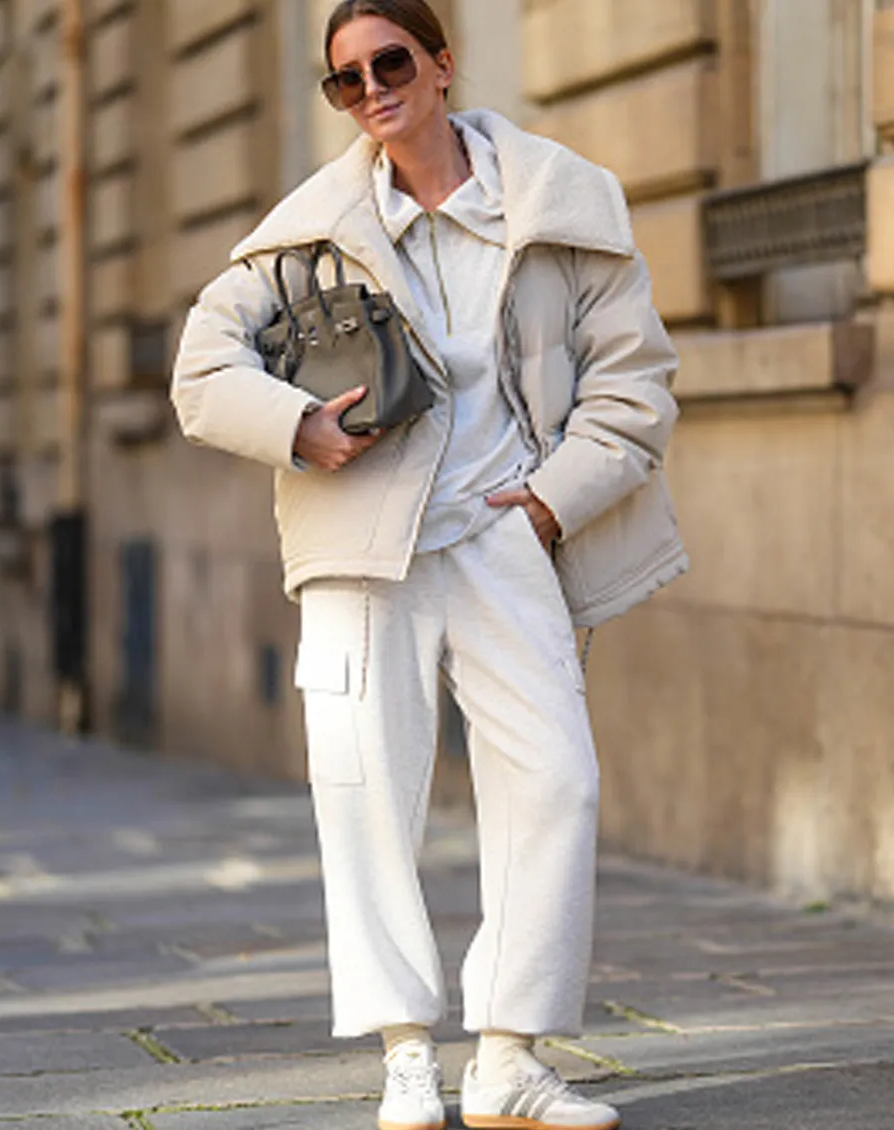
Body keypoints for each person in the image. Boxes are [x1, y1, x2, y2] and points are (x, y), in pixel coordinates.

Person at [170, 1, 685, 1126]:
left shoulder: (559, 206)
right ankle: (407, 1052)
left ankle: (506, 1053)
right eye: (345, 81)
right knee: (363, 794)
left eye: (389, 63)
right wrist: (299, 423)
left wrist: (549, 507)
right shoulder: (306, 231)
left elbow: (635, 387)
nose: (370, 92)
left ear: (443, 64)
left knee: (556, 781)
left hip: (505, 537)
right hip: (361, 547)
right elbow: (201, 373)